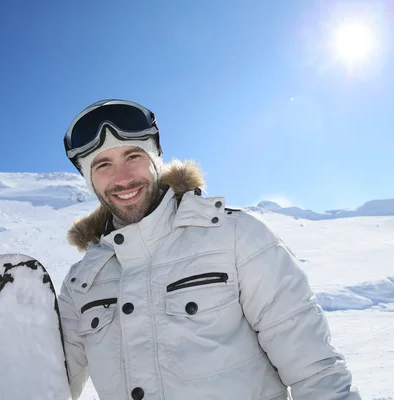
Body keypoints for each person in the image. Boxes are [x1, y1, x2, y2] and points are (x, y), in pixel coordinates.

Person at [59, 99, 362, 400]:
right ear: (90, 181)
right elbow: (51, 384)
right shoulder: (81, 282)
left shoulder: (234, 235)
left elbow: (315, 370)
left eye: (133, 156)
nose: (122, 178)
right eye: (103, 165)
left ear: (155, 161)